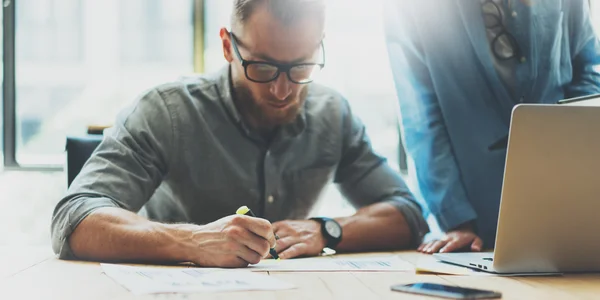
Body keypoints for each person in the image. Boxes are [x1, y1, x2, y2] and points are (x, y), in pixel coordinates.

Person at [50, 0, 429, 268]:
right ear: (229, 46)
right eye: (263, 67)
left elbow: (408, 214)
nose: (283, 90)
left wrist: (327, 231)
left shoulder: (333, 113)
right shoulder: (166, 112)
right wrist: (193, 241)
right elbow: (75, 219)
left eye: (301, 66)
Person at [383, 0, 600, 254]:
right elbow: (421, 117)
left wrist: (580, 172)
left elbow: (587, 73)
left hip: (563, 199)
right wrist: (456, 220)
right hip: (472, 215)